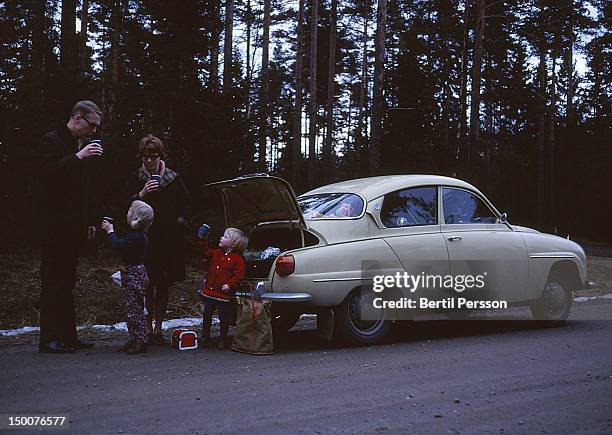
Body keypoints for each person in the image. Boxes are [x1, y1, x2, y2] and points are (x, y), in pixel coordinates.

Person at [34, 100, 104, 353]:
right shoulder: (51, 141)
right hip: (54, 227)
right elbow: (45, 175)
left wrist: (90, 221)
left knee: (67, 281)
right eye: (92, 125)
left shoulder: (81, 146)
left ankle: (68, 337)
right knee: (53, 281)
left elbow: (84, 191)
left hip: (73, 227)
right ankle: (49, 339)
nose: (94, 131)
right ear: (77, 118)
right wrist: (78, 157)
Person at [124, 135, 190, 345]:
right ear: (140, 157)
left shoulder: (173, 178)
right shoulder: (135, 178)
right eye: (146, 157)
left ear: (161, 156)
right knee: (145, 284)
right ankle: (147, 328)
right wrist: (142, 193)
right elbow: (124, 204)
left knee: (163, 285)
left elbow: (186, 205)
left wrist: (180, 222)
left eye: (154, 156)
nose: (150, 161)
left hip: (168, 240)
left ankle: (159, 328)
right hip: (144, 240)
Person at [101, 201, 154, 354]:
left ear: (136, 217)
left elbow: (118, 244)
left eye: (130, 209)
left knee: (135, 309)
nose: (127, 211)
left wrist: (110, 231)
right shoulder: (136, 235)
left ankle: (141, 340)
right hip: (131, 272)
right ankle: (134, 338)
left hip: (134, 274)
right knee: (130, 308)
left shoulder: (136, 237)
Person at [198, 226, 248, 349]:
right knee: (207, 314)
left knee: (223, 317)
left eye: (225, 237)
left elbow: (238, 276)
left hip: (223, 295)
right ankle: (205, 337)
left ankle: (223, 338)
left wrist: (230, 284)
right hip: (210, 291)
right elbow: (204, 251)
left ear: (233, 244)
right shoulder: (216, 253)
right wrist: (203, 239)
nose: (221, 238)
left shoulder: (238, 260)